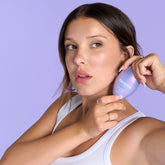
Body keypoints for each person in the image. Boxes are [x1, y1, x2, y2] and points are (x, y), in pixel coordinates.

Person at [0, 3, 165, 165]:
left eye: (96, 44)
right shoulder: (66, 106)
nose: (78, 58)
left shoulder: (140, 134)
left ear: (126, 54)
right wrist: (82, 130)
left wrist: (164, 83)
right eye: (71, 46)